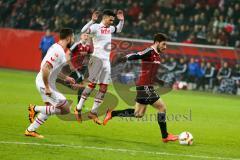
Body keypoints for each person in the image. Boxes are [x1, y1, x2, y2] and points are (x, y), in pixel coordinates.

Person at [103, 33, 179, 143]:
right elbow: (137, 54)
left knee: (138, 114)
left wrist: (161, 82)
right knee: (162, 107)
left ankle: (112, 113)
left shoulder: (157, 55)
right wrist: (124, 58)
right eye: (163, 44)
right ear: (157, 42)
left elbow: (152, 74)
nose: (165, 47)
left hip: (146, 87)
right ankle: (165, 136)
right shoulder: (149, 51)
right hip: (145, 87)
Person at [74, 9, 124, 124]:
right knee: (92, 85)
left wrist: (121, 20)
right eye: (111, 19)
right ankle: (78, 108)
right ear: (105, 18)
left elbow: (119, 29)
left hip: (106, 61)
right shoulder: (96, 27)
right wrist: (92, 21)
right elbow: (83, 30)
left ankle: (93, 112)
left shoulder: (110, 29)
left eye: (113, 20)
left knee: (104, 88)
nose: (112, 22)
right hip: (96, 60)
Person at [25, 28, 75, 138]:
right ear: (68, 38)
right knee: (65, 108)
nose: (73, 40)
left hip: (44, 81)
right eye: (73, 38)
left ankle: (30, 130)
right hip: (44, 82)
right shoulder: (57, 51)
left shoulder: (58, 49)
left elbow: (53, 70)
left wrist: (66, 78)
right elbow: (46, 68)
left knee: (50, 108)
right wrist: (47, 87)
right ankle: (34, 108)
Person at [69, 33, 93, 102]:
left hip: (83, 68)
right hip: (75, 68)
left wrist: (89, 62)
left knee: (81, 85)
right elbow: (68, 53)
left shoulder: (88, 47)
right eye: (84, 35)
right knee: (82, 86)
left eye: (87, 36)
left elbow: (89, 56)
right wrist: (71, 65)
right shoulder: (76, 44)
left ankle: (79, 104)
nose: (86, 37)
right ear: (81, 37)